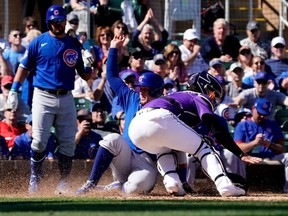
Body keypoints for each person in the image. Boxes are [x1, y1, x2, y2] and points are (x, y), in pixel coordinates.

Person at [128, 71, 260, 196]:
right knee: (205, 149)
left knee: (164, 149)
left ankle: (172, 182)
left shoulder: (175, 95)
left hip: (135, 127)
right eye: (213, 94)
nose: (212, 98)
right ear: (204, 88)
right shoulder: (198, 96)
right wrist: (240, 153)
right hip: (160, 118)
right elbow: (213, 125)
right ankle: (224, 185)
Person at [6, 4, 93, 194]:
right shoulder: (38, 42)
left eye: (60, 20)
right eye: (54, 21)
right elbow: (24, 67)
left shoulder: (73, 43)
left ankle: (63, 182)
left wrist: (88, 66)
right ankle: (35, 178)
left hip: (66, 97)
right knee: (39, 141)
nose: (57, 24)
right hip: (42, 95)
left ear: (65, 21)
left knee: (69, 142)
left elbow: (85, 76)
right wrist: (14, 90)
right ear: (48, 22)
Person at [76, 35, 164, 196]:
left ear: (156, 91)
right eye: (141, 88)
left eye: (146, 89)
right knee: (112, 139)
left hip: (146, 162)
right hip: (125, 154)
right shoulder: (132, 97)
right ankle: (91, 183)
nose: (141, 91)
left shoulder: (164, 109)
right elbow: (112, 77)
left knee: (134, 190)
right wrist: (113, 48)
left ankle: (114, 187)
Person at [234, 98, 288, 193]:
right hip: (248, 157)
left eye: (265, 114)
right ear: (253, 109)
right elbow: (237, 148)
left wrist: (270, 145)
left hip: (270, 156)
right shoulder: (243, 125)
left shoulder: (273, 125)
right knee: (235, 157)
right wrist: (255, 143)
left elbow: (282, 148)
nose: (262, 116)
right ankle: (240, 187)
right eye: (260, 113)